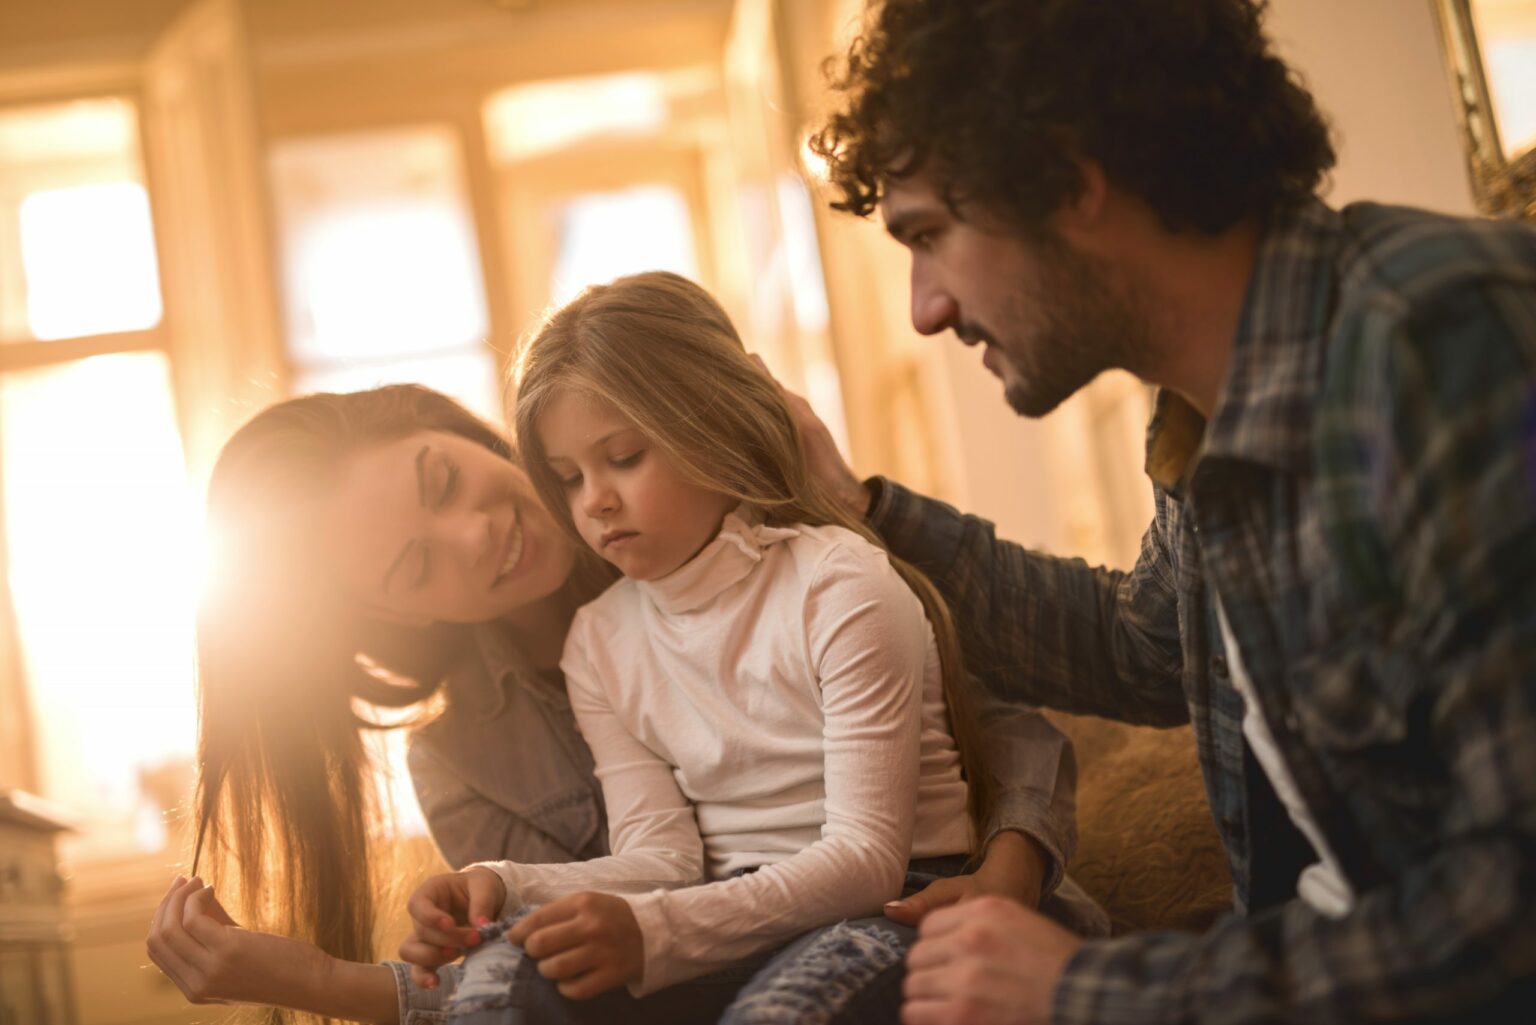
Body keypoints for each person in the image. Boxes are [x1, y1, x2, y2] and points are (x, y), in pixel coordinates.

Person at [802, 0, 1536, 1022]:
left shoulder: (1438, 345)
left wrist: (1084, 989)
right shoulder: (1210, 413)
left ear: (1069, 177)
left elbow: (1514, 905)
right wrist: (860, 508)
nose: (925, 307)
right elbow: (1143, 645)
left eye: (929, 234)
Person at [145, 379, 1096, 1024]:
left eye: (446, 480)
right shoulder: (466, 761)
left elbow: (993, 723)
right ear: (398, 617)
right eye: (419, 563)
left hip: (903, 916)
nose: (478, 533)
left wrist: (1010, 871)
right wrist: (489, 904)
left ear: (465, 431)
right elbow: (559, 972)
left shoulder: (748, 541)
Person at [398, 270, 1102, 1025]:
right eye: (568, 477)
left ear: (713, 424)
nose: (593, 500)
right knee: (504, 971)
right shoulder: (598, 639)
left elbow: (866, 859)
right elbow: (665, 857)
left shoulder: (839, 580)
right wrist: (501, 883)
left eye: (624, 456)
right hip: (732, 916)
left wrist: (658, 929)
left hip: (898, 903)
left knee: (784, 1008)